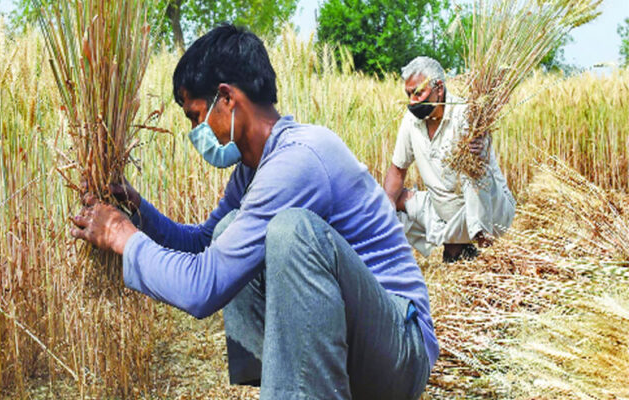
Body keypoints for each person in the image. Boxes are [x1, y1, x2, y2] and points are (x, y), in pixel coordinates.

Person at [70, 25, 436, 399]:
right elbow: (204, 245)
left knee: (293, 233)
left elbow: (202, 287)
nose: (197, 132)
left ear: (226, 98)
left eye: (196, 117)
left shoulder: (299, 159)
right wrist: (138, 214)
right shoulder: (254, 167)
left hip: (399, 354)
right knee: (230, 228)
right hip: (357, 350)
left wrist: (122, 238)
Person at [383, 56, 516, 263]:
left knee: (473, 169)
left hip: (490, 212)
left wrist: (479, 149)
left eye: (419, 93)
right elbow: (397, 170)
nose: (412, 101)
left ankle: (484, 250)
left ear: (439, 87)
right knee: (389, 200)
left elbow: (479, 172)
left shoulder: (466, 114)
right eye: (409, 94)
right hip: (443, 211)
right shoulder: (411, 121)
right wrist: (387, 206)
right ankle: (457, 246)